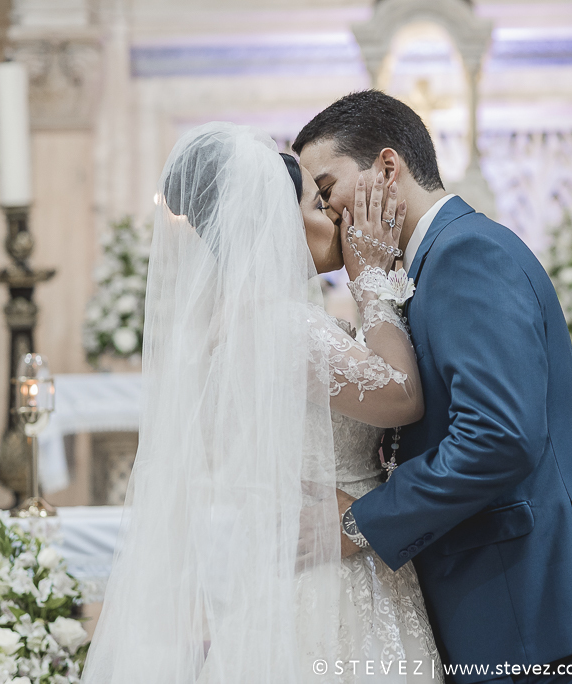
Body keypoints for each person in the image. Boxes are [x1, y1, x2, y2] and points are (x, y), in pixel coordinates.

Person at [295, 90, 572, 684]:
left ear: (386, 167)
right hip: (496, 592)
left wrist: (361, 521)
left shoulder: (466, 254)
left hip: (525, 599)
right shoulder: (424, 263)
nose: (325, 212)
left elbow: (498, 438)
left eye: (327, 190)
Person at [83, 122, 442, 682]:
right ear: (280, 220)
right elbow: (400, 395)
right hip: (336, 574)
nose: (337, 215)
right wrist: (370, 279)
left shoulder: (234, 322)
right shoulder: (281, 324)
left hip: (308, 557)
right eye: (318, 201)